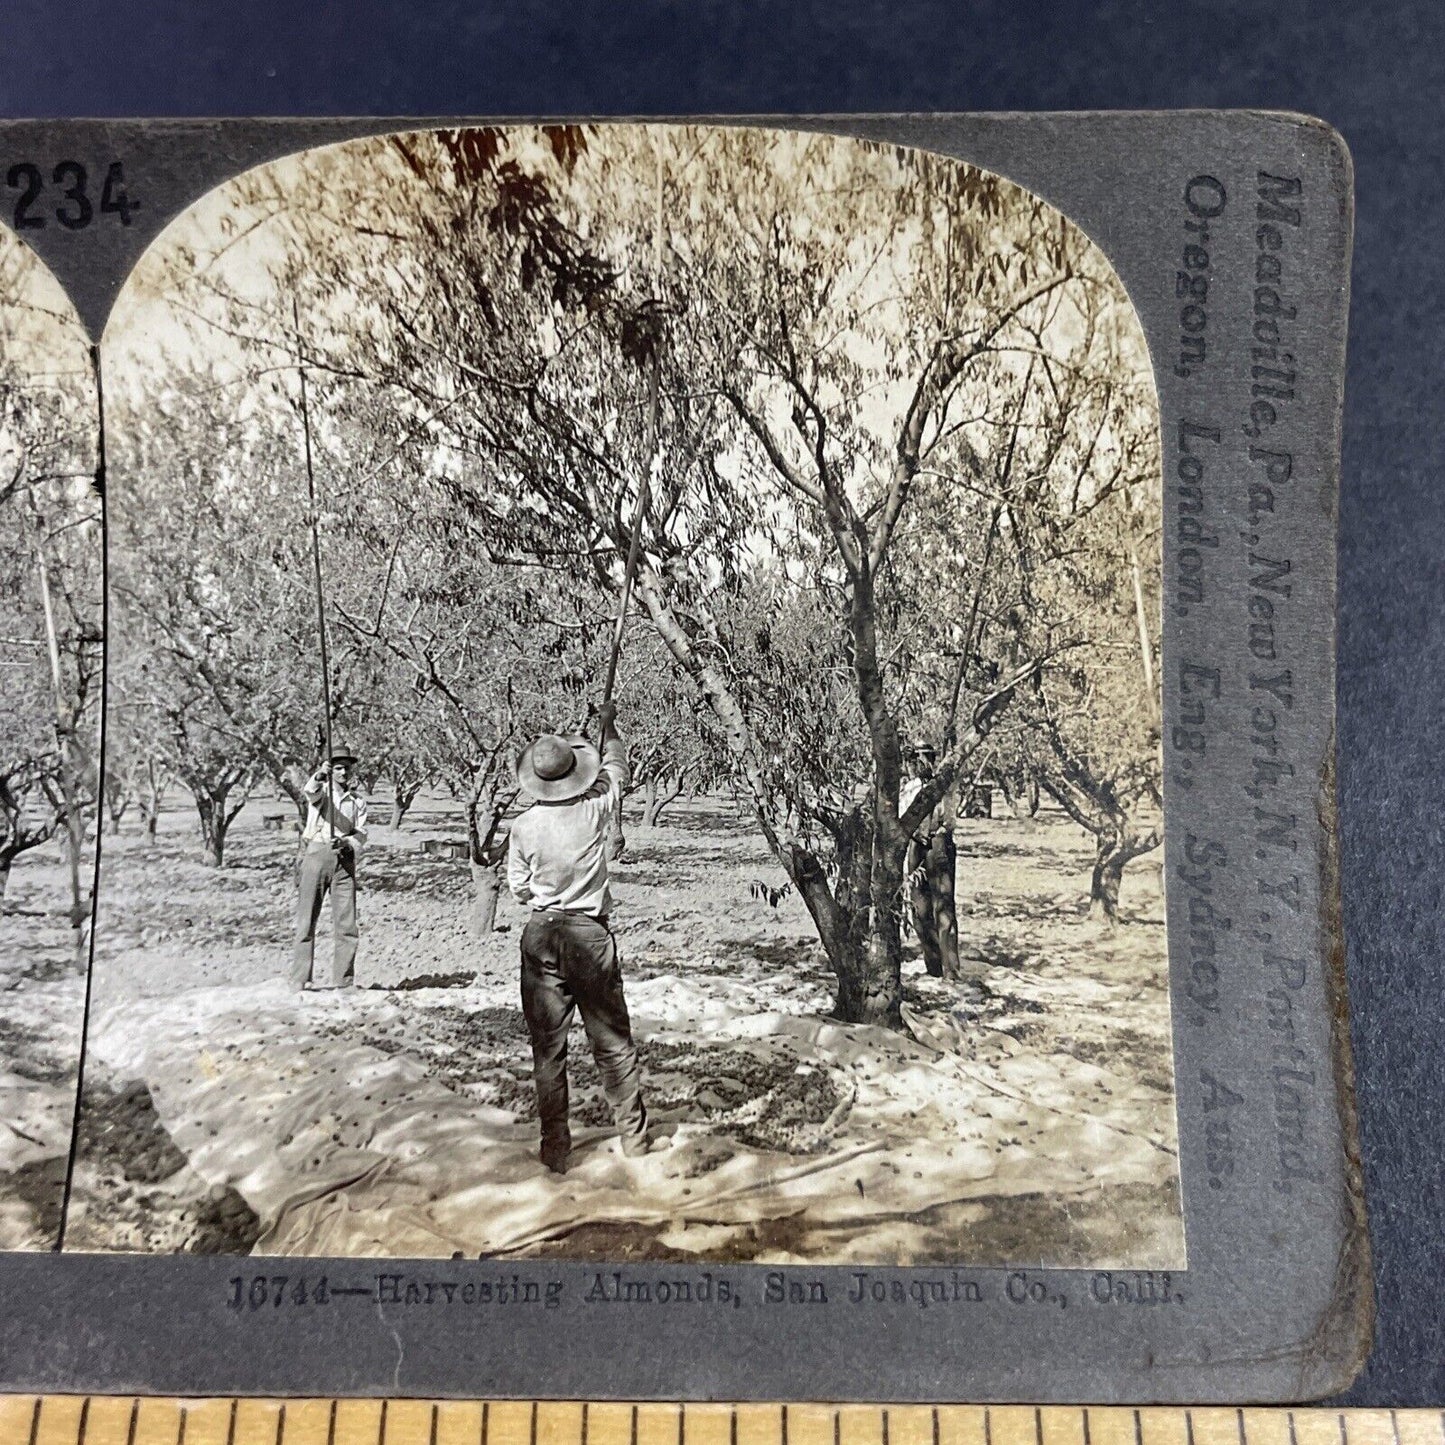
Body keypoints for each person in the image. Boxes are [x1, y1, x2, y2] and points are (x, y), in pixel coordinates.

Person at [507, 700, 649, 1173]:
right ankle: (635, 1139)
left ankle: (555, 1148)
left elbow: (518, 887)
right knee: (611, 1040)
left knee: (548, 1048)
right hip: (588, 934)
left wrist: (546, 887)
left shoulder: (523, 826)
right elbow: (617, 767)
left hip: (541, 933)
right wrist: (608, 725)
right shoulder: (594, 810)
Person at [291, 742, 368, 990]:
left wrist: (347, 842)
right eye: (337, 769)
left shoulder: (357, 802)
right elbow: (310, 791)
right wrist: (319, 775)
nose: (343, 773)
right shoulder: (322, 794)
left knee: (346, 924)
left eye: (346, 769)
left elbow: (362, 833)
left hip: (343, 860)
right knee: (307, 920)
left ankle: (344, 981)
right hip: (316, 855)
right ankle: (300, 979)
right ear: (330, 770)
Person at [900, 744, 959, 979]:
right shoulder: (909, 789)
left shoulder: (942, 787)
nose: (921, 762)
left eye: (926, 757)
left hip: (938, 842)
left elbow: (949, 819)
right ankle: (933, 966)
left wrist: (938, 836)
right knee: (920, 907)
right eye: (917, 757)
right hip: (916, 844)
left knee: (943, 906)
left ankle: (950, 970)